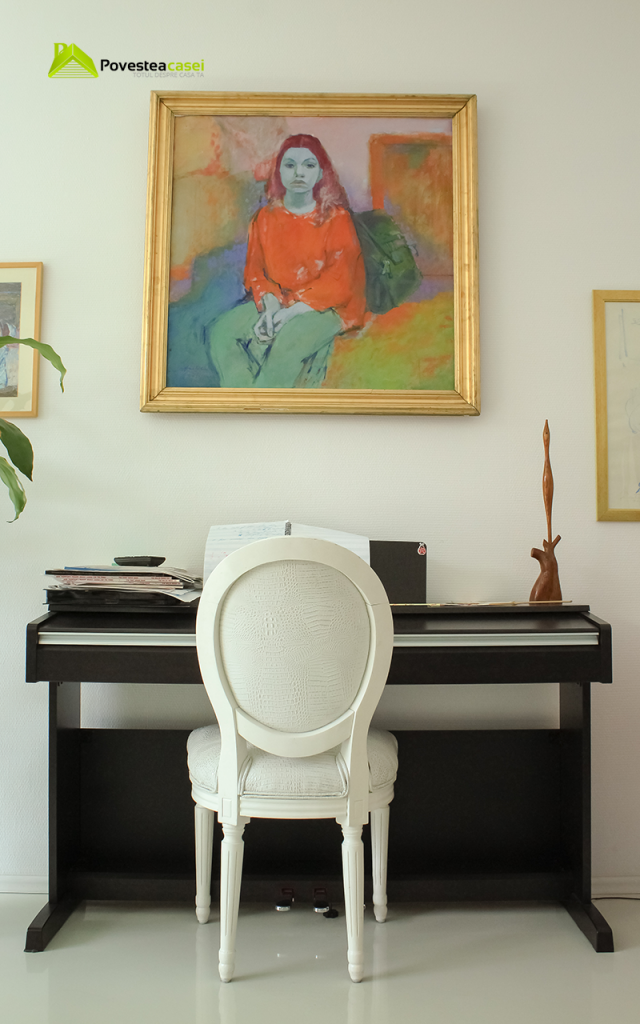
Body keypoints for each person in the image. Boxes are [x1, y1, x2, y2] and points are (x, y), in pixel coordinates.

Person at [207, 134, 366, 388]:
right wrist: (270, 308)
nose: (299, 173)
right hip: (279, 300)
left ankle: (259, 406)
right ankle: (242, 401)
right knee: (222, 333)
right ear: (279, 172)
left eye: (309, 165)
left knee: (287, 342)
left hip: (329, 308)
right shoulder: (264, 218)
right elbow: (255, 273)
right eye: (290, 165)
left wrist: (290, 313)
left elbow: (340, 283)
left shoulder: (336, 219)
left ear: (320, 173)